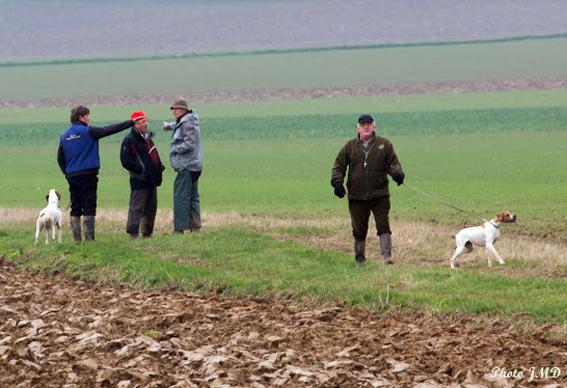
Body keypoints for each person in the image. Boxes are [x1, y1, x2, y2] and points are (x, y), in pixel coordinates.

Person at [331, 114, 405, 267]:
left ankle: (387, 257)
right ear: (357, 127)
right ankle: (360, 260)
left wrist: (397, 174)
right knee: (358, 229)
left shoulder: (384, 144)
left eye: (369, 124)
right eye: (363, 124)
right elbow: (339, 166)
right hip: (356, 196)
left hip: (380, 195)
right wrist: (337, 182)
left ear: (374, 126)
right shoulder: (349, 146)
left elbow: (393, 164)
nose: (366, 127)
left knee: (383, 225)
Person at [58, 106, 134, 242]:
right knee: (89, 204)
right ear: (81, 117)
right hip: (88, 175)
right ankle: (90, 239)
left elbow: (60, 159)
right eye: (87, 116)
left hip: (72, 176)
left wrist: (68, 173)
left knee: (75, 206)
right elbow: (109, 129)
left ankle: (76, 240)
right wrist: (131, 122)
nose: (89, 118)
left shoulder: (64, 136)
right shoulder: (89, 131)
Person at [120, 110, 165, 239]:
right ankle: (133, 233)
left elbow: (153, 155)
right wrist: (141, 169)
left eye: (146, 121)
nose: (145, 124)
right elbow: (125, 160)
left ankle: (147, 233)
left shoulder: (148, 139)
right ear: (135, 124)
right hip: (139, 179)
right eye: (142, 121)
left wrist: (159, 166)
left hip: (152, 179)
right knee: (137, 207)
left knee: (151, 207)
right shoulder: (129, 140)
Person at [162, 99, 203, 234]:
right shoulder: (189, 121)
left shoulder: (186, 123)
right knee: (192, 197)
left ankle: (179, 229)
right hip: (195, 165)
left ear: (184, 110)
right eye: (173, 109)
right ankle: (195, 227)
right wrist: (169, 126)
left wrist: (175, 149)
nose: (174, 111)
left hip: (186, 166)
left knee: (181, 197)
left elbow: (189, 144)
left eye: (177, 109)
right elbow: (179, 126)